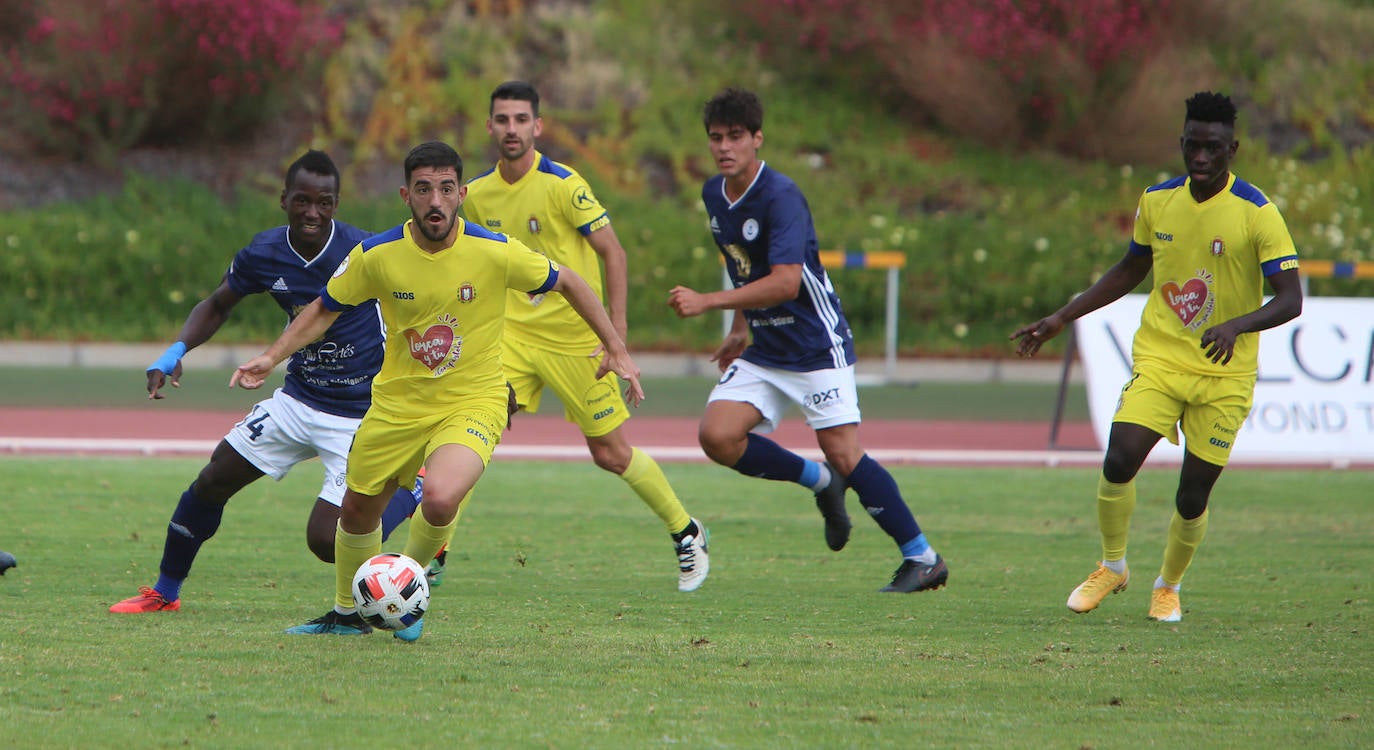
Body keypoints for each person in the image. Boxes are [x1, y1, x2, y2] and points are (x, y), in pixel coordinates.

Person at [232, 141, 644, 640]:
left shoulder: (495, 251)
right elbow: (325, 307)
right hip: (396, 404)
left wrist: (616, 347)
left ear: (461, 194)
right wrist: (272, 357)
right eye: (424, 189)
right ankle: (346, 614)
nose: (435, 200)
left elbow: (570, 281)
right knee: (358, 510)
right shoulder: (377, 255)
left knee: (443, 497)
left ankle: (407, 590)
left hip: (475, 399)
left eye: (446, 189)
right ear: (407, 194)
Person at [1010, 91, 1303, 623]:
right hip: (1162, 360)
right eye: (1192, 145)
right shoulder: (1157, 200)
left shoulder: (1258, 214)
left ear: (1231, 148)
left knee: (1192, 496)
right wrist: (1061, 317)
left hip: (1225, 374)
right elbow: (1129, 271)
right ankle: (1113, 566)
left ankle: (1167, 587)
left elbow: (1290, 299)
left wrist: (1236, 325)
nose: (1200, 157)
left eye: (1212, 147)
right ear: (1182, 143)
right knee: (1119, 457)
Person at [109, 150, 421, 614]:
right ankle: (165, 592)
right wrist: (176, 351)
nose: (312, 212)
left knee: (325, 540)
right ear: (284, 200)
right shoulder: (265, 253)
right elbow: (217, 304)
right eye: (302, 201)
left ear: (336, 204)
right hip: (299, 399)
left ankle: (409, 493)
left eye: (324, 202)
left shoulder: (366, 253)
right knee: (213, 479)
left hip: (361, 414)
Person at [667, 87, 947, 593]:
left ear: (757, 139)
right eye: (715, 138)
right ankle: (818, 482)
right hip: (766, 349)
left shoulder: (781, 196)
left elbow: (786, 282)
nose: (724, 147)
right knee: (717, 436)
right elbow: (742, 267)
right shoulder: (715, 194)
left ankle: (922, 557)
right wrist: (738, 329)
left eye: (735, 137)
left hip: (817, 346)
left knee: (844, 452)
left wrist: (708, 303)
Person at [460, 80, 709, 592]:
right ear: (490, 127)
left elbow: (613, 253)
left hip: (577, 339)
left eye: (521, 120)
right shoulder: (477, 194)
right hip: (512, 340)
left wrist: (615, 337)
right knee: (469, 434)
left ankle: (686, 531)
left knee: (611, 454)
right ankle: (431, 556)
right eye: (502, 120)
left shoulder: (563, 184)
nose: (512, 129)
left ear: (538, 126)